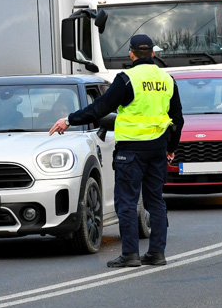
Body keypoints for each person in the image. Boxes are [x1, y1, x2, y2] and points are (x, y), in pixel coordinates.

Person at [49, 34, 183, 268]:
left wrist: (70, 119)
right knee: (155, 202)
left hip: (131, 150)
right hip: (157, 149)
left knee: (127, 203)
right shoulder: (167, 80)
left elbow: (100, 108)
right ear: (152, 53)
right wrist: (171, 147)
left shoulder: (127, 79)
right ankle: (157, 253)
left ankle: (130, 254)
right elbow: (178, 119)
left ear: (131, 54)